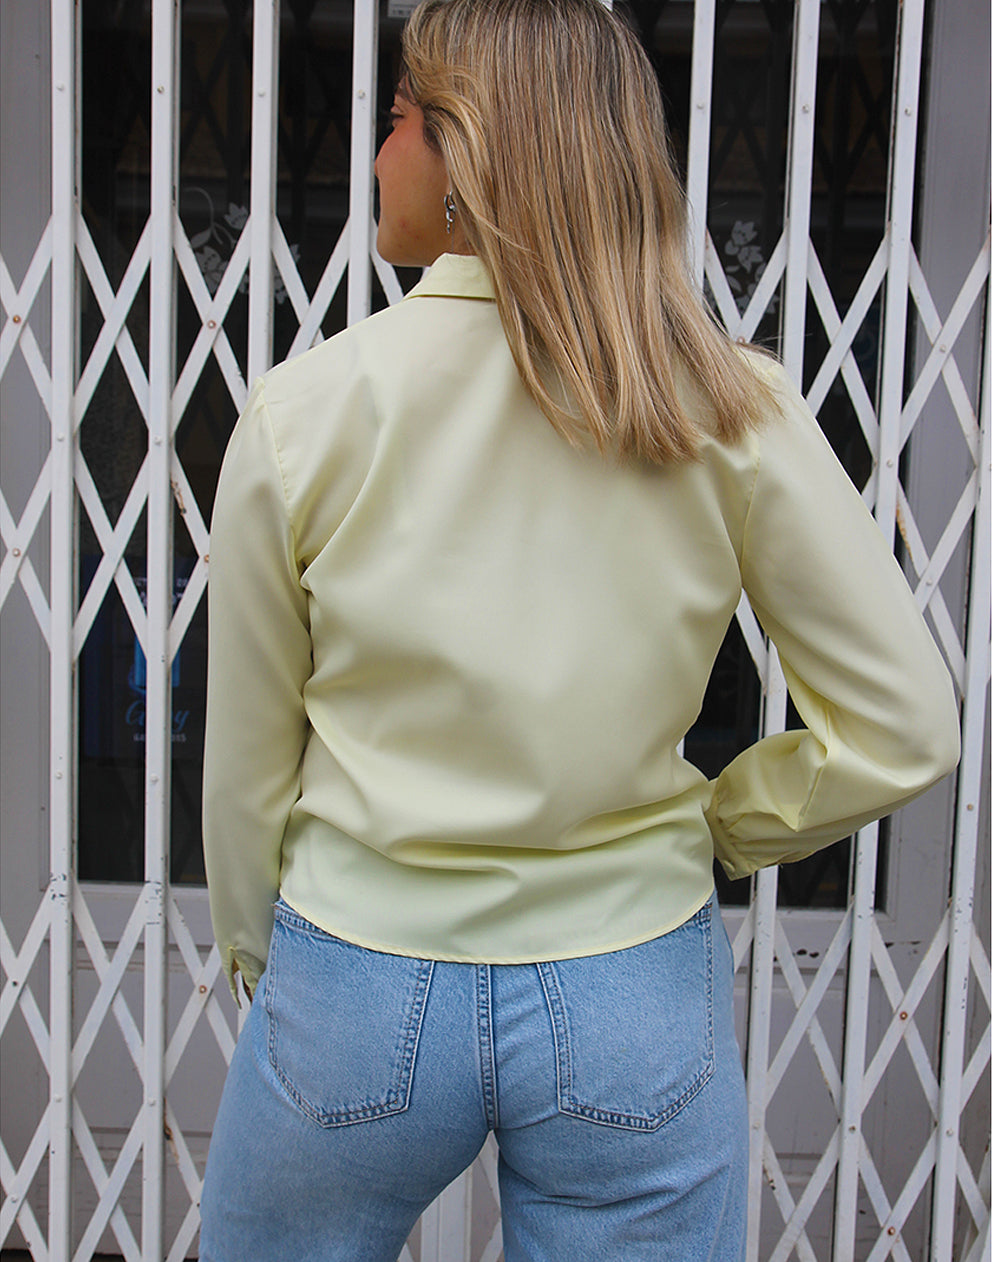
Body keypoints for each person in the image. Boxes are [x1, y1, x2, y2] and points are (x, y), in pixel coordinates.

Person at [198, 1, 960, 1258]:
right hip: (626, 982)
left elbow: (247, 767)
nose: (377, 154)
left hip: (360, 969)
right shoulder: (727, 403)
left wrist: (256, 951)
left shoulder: (304, 412)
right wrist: (719, 823)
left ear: (463, 155)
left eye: (395, 120)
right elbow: (905, 720)